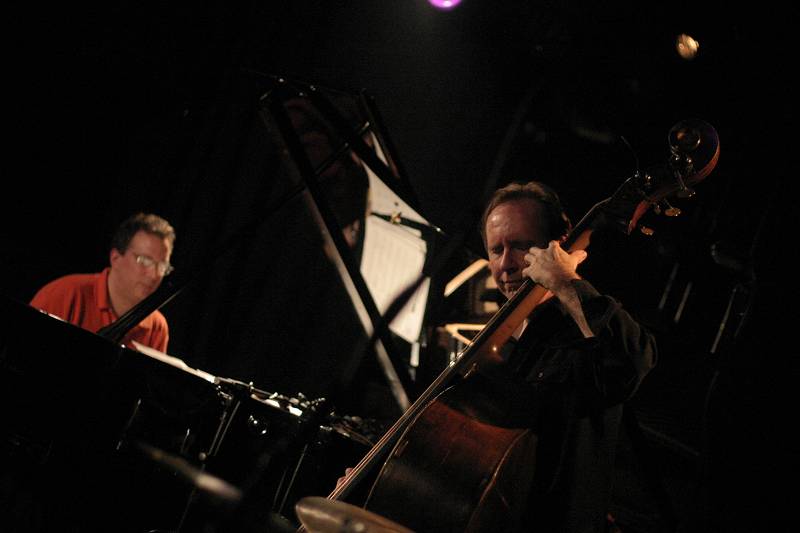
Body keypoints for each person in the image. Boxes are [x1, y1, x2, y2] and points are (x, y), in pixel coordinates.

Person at [479, 180, 657, 532]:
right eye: (495, 250)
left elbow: (635, 360)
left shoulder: (582, 331)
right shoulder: (501, 342)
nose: (505, 265)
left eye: (519, 246)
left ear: (554, 248)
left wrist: (565, 282)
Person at [29, 212, 176, 352]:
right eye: (144, 261)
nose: (154, 275)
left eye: (162, 266)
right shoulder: (65, 294)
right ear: (115, 258)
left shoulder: (157, 326)